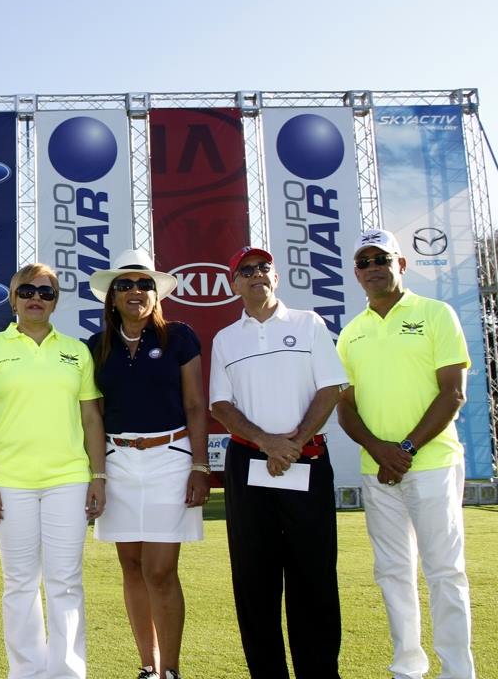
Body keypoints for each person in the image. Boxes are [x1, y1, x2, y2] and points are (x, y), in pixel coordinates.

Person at [336, 228, 476, 679]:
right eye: (365, 262)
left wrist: (406, 449)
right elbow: (346, 407)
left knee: (445, 572)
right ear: (356, 274)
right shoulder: (350, 333)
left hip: (432, 464)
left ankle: (457, 671)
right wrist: (381, 452)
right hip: (378, 472)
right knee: (393, 573)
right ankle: (407, 669)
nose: (373, 267)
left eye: (382, 258)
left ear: (401, 264)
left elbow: (453, 394)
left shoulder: (436, 314)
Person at [208, 246, 348, 679]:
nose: (255, 275)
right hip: (250, 463)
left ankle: (319, 672)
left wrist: (293, 443)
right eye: (245, 271)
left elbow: (331, 389)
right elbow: (220, 405)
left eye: (263, 269)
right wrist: (268, 443)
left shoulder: (309, 323)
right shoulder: (226, 338)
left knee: (314, 573)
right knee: (254, 578)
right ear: (234, 285)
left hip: (306, 460)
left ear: (277, 277)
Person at [0, 263, 106, 679]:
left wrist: (98, 476)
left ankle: (66, 673)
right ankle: (26, 672)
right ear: (13, 299)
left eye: (45, 293)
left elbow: (92, 420)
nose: (35, 299)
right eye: (27, 291)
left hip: (68, 479)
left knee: (65, 582)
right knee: (20, 584)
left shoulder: (76, 351)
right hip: (9, 483)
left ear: (55, 301)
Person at [86, 249, 210, 679]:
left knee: (160, 570)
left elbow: (196, 405)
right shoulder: (95, 346)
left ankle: (171, 669)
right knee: (131, 566)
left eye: (144, 284)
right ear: (112, 297)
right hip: (117, 462)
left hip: (171, 460)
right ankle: (148, 666)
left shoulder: (179, 337)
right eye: (125, 285)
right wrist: (97, 475)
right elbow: (94, 416)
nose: (135, 291)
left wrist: (199, 465)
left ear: (156, 294)